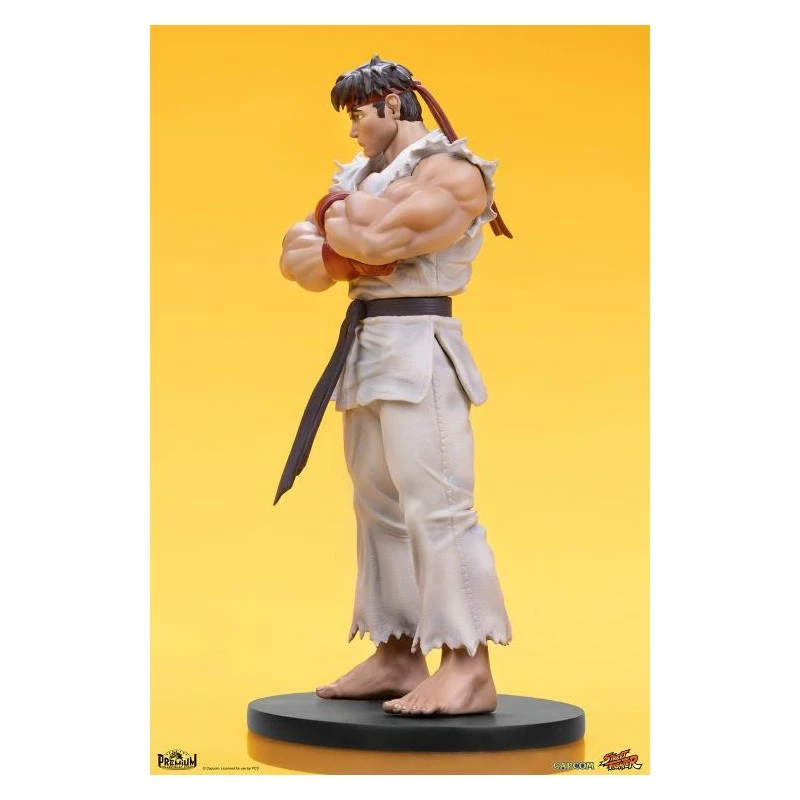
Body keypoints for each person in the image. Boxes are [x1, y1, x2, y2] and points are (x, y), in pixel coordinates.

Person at [277, 55, 512, 716]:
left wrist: (337, 225)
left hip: (420, 347)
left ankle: (468, 665)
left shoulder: (452, 171)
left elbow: (377, 238)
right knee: (377, 508)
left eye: (358, 114)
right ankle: (398, 651)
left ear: (390, 105)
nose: (352, 129)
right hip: (366, 348)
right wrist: (345, 236)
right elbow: (299, 260)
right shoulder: (358, 178)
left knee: (438, 508)